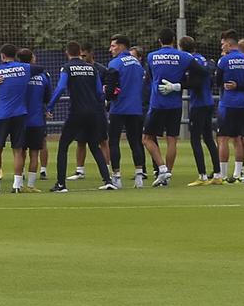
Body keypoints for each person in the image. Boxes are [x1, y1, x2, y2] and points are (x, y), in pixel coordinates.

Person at [48, 42, 113, 192]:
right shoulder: (92, 68)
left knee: (63, 146)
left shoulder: (67, 68)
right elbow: (99, 92)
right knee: (94, 145)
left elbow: (61, 87)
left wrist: (50, 106)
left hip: (77, 112)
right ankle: (108, 180)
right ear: (79, 52)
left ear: (67, 52)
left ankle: (61, 184)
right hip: (94, 112)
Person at [140, 31, 199, 187]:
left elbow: (150, 78)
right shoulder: (185, 57)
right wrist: (180, 85)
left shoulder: (152, 56)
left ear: (159, 40)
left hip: (157, 103)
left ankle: (162, 168)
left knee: (146, 138)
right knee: (172, 139)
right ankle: (167, 176)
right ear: (174, 40)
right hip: (175, 103)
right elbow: (200, 74)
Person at [0, 45, 33, 194]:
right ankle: (17, 185)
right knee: (18, 150)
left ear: (2, 56)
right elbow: (40, 70)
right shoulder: (25, 68)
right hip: (20, 113)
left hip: (2, 114)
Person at [104, 36, 149, 188]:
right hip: (135, 108)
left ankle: (116, 177)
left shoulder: (115, 63)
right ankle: (139, 177)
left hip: (119, 108)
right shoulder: (137, 63)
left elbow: (110, 90)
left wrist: (107, 94)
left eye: (113, 46)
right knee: (135, 142)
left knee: (114, 141)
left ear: (122, 46)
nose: (111, 49)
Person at [216, 34, 244, 184]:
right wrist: (240, 86)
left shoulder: (224, 60)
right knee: (240, 139)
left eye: (223, 44)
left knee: (222, 139)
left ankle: (222, 174)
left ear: (229, 44)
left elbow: (217, 81)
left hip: (227, 104)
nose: (222, 46)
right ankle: (239, 173)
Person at [181, 36, 221, 186]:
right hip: (208, 101)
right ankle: (217, 174)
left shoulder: (190, 61)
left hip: (198, 104)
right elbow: (209, 80)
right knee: (209, 138)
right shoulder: (203, 59)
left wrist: (180, 85)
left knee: (195, 139)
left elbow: (195, 83)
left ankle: (202, 176)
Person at [20, 48, 50, 189]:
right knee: (35, 153)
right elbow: (47, 97)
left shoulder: (17, 76)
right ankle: (31, 185)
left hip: (20, 119)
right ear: (32, 58)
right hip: (37, 119)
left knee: (20, 151)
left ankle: (18, 183)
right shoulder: (43, 76)